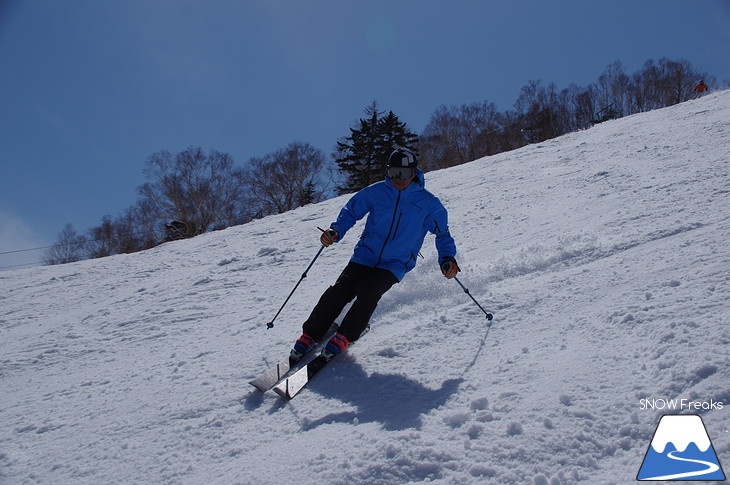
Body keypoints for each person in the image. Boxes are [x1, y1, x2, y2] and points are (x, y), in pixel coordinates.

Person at [290, 147, 460, 361]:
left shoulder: (429, 204)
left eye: (404, 174)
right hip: (365, 256)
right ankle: (311, 334)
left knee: (369, 291)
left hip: (395, 263)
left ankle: (347, 334)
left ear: (414, 173)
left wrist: (447, 258)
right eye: (394, 173)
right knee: (340, 291)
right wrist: (336, 230)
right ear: (388, 172)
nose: (398, 179)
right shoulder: (376, 192)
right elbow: (351, 211)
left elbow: (442, 233)